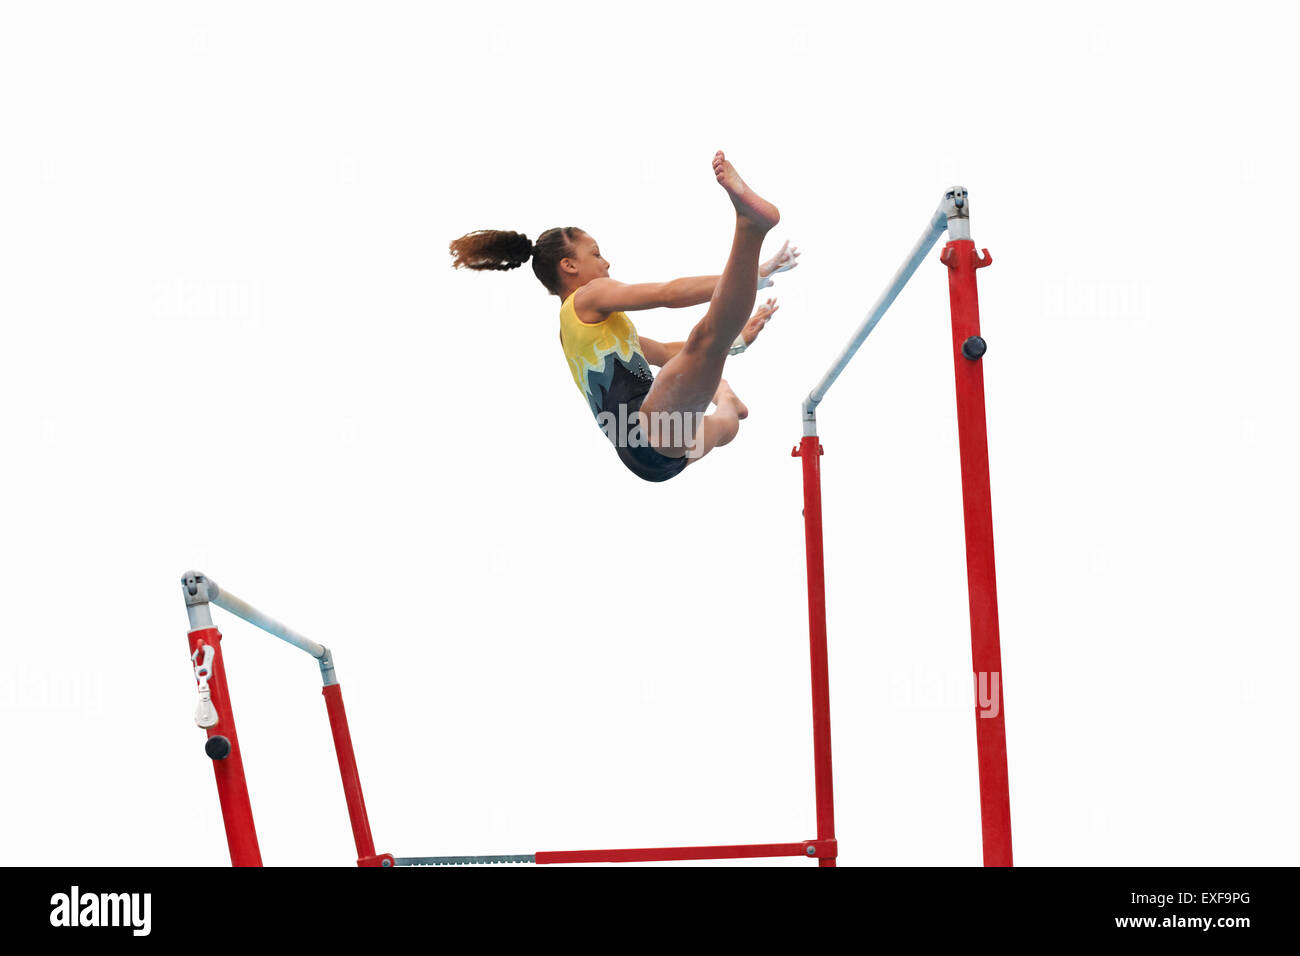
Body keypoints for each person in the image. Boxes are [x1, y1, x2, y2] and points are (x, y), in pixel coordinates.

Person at [449, 150, 798, 482]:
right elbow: (667, 294)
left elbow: (662, 352)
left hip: (652, 457)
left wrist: (738, 342)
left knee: (722, 413)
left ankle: (728, 402)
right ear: (569, 266)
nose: (606, 263)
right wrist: (756, 275)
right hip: (648, 431)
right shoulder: (588, 296)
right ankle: (750, 228)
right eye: (596, 254)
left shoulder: (586, 332)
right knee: (706, 343)